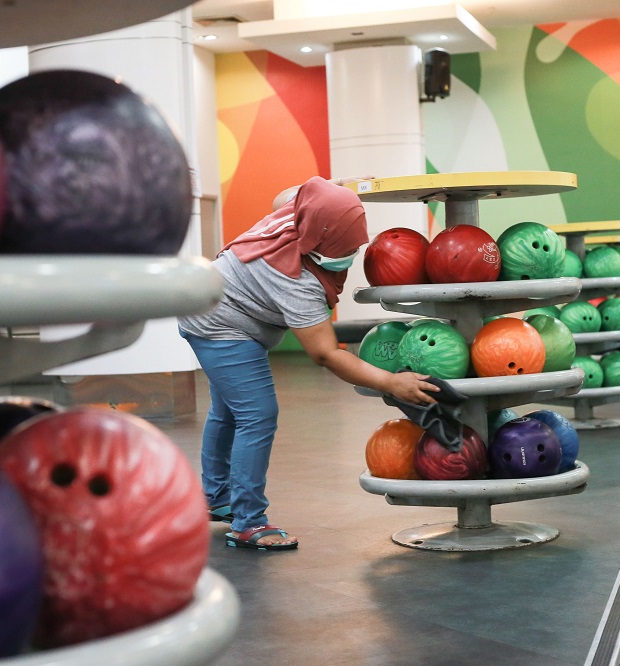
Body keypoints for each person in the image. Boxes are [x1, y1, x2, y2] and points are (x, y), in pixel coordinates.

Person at [177, 176, 439, 551]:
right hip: (219, 323)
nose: (352, 251)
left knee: (229, 411)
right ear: (322, 241)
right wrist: (391, 382)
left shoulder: (298, 211)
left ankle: (215, 497)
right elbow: (325, 353)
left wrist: (336, 194)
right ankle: (249, 522)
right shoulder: (294, 279)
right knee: (257, 414)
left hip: (209, 302)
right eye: (345, 246)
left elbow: (288, 194)